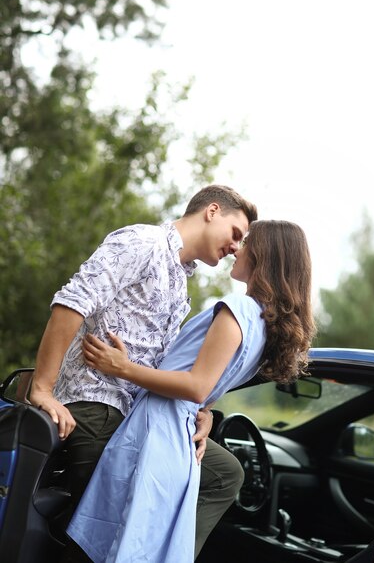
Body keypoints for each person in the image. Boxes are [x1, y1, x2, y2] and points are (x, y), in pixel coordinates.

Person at [29, 184, 258, 561]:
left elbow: (165, 364)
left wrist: (200, 410)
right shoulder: (141, 243)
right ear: (212, 211)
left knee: (224, 474)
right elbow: (71, 303)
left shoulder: (181, 282)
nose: (237, 246)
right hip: (98, 405)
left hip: (142, 417)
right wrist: (42, 388)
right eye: (236, 234)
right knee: (97, 540)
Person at [67, 219, 316, 563]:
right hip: (176, 439)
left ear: (265, 254)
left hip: (155, 433)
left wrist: (122, 368)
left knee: (107, 544)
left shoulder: (239, 310)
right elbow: (208, 389)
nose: (237, 250)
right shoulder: (264, 327)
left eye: (248, 243)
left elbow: (197, 385)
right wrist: (207, 412)